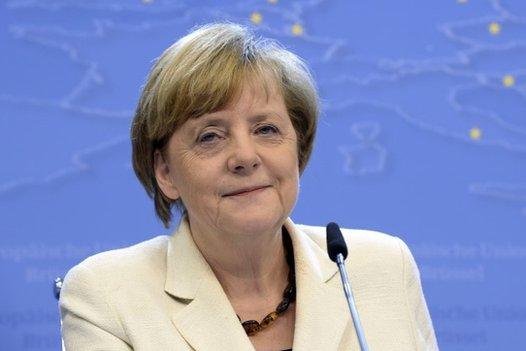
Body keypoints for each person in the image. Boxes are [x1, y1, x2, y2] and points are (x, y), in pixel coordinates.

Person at [59, 22, 439, 351]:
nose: (245, 156)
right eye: (210, 137)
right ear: (166, 173)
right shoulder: (106, 296)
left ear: (298, 149)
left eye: (266, 129)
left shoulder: (383, 266)